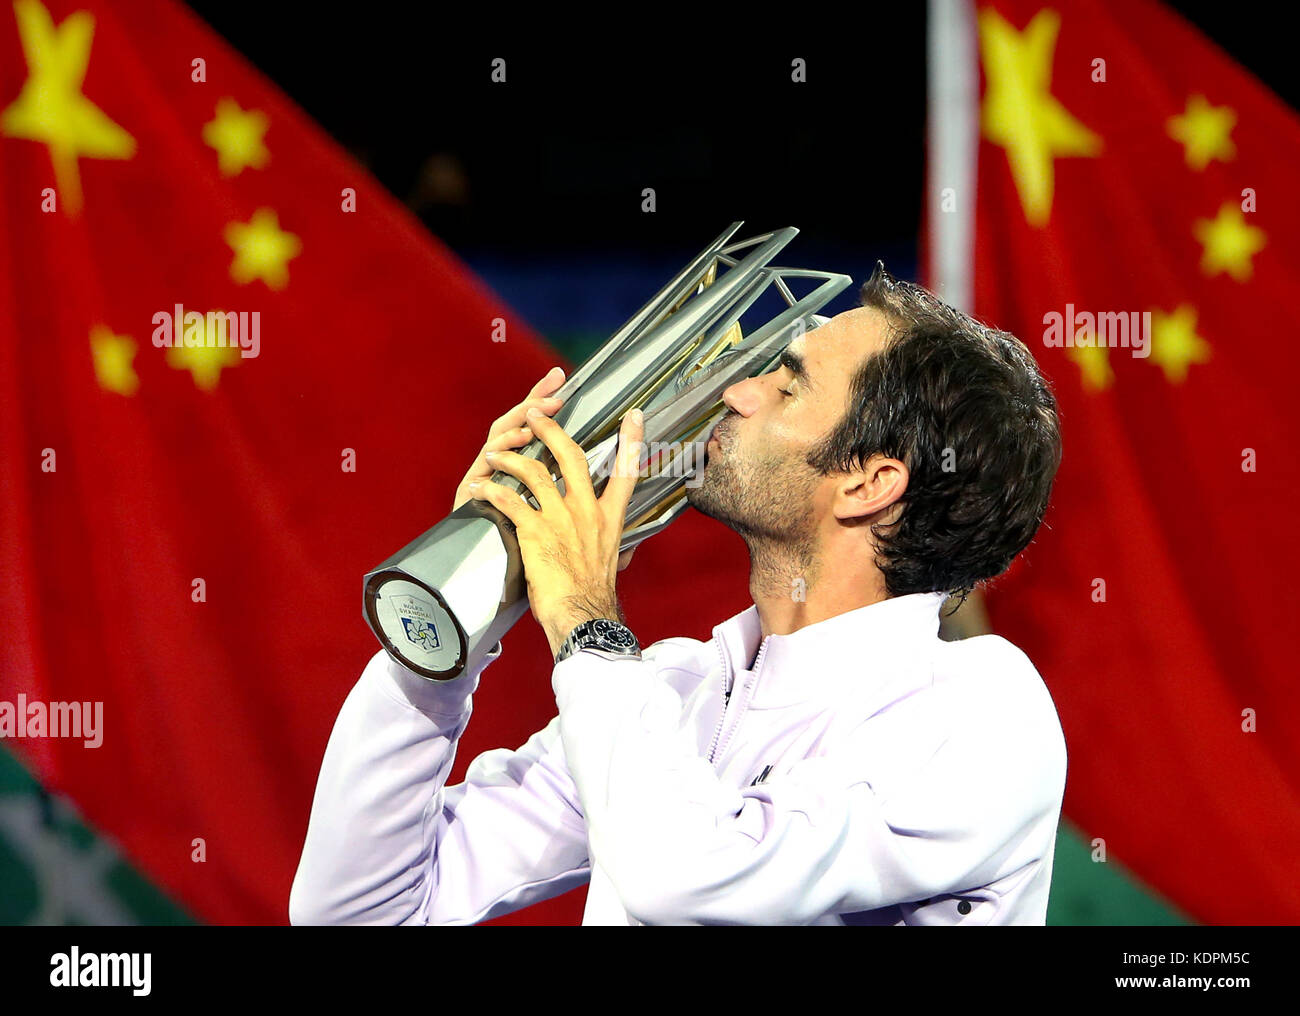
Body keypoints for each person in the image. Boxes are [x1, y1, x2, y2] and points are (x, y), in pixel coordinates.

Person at [289, 263, 1067, 926]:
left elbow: (689, 877)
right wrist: (465, 597)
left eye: (788, 385)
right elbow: (359, 912)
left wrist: (587, 626)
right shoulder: (677, 689)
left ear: (869, 482)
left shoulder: (983, 712)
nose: (738, 392)